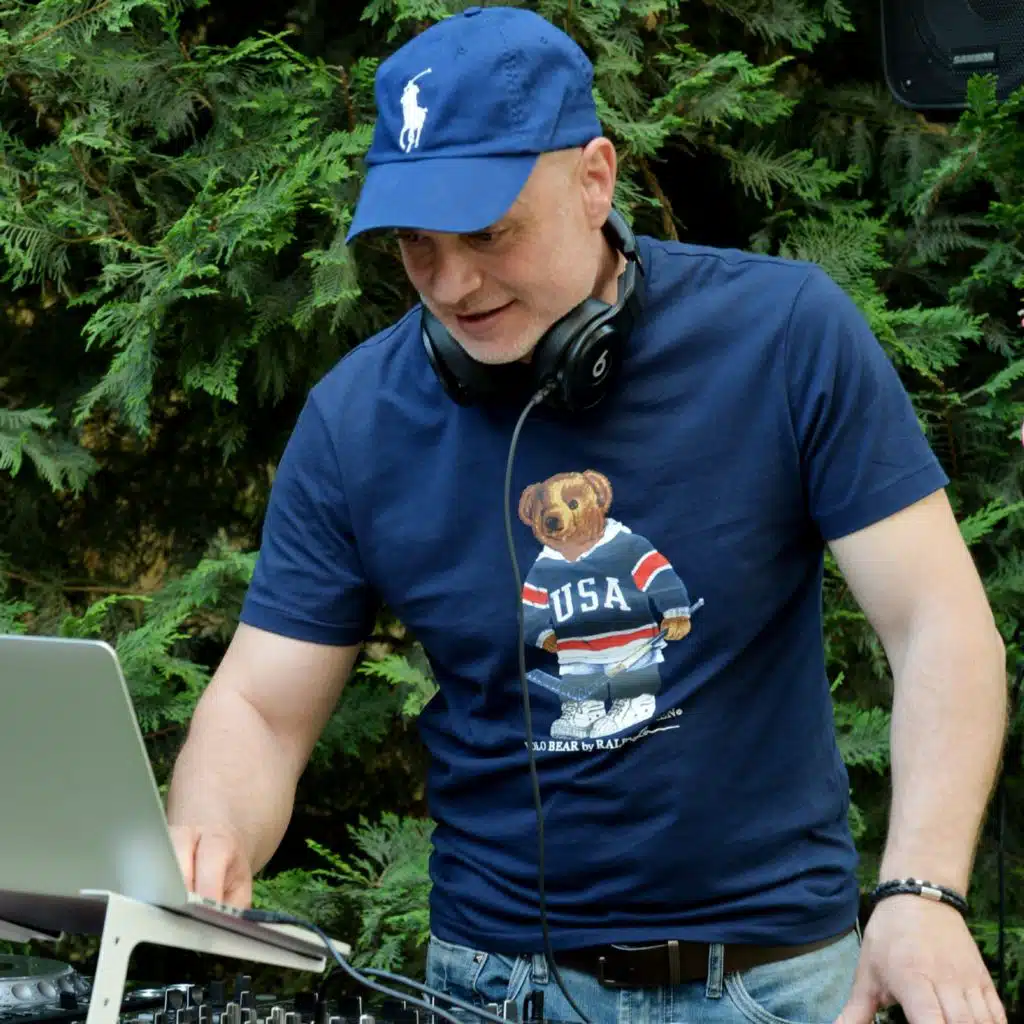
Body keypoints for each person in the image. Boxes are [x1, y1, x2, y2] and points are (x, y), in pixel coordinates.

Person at [165, 7, 1009, 1024]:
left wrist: (920, 891)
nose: (452, 284)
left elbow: (935, 623)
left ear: (594, 180)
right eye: (417, 244)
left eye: (489, 232)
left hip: (774, 982)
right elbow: (261, 707)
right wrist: (209, 841)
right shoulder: (356, 421)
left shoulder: (785, 336)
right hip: (493, 989)